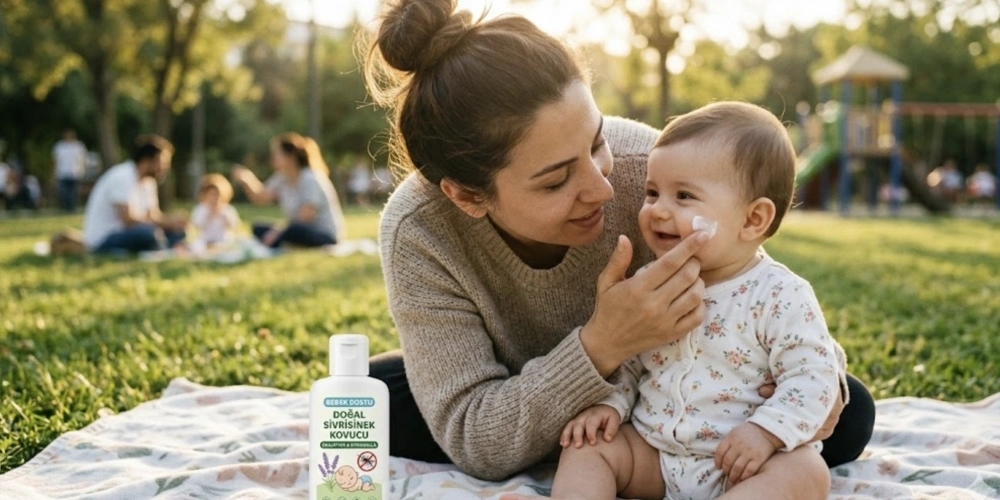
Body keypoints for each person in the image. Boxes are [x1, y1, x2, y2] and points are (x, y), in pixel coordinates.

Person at [364, 0, 874, 489]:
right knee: (366, 401)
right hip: (514, 386)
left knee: (851, 415)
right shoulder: (421, 230)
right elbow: (477, 440)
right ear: (467, 195)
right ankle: (570, 441)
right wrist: (602, 343)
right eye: (556, 180)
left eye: (596, 142)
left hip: (657, 392)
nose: (605, 188)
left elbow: (753, 283)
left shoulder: (654, 173)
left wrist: (819, 377)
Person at [503, 103, 845, 500]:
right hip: (656, 454)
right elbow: (630, 366)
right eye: (652, 192)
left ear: (753, 220)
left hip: (744, 463)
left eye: (683, 196)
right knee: (589, 446)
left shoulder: (778, 294)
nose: (657, 210)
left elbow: (813, 375)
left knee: (805, 472)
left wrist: (765, 432)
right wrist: (611, 407)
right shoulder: (652, 285)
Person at [231, 133, 346, 248]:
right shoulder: (282, 178)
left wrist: (278, 232)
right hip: (295, 228)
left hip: (323, 234)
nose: (273, 158)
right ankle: (286, 240)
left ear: (291, 156)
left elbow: (306, 216)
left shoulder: (310, 178)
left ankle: (284, 240)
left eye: (277, 154)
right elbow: (261, 197)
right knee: (258, 228)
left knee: (293, 230)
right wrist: (246, 180)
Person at [82, 135, 188, 254]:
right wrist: (163, 224)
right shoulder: (122, 176)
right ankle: (163, 247)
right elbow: (128, 220)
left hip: (135, 232)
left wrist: (172, 222)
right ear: (148, 160)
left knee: (178, 232)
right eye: (163, 163)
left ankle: (162, 247)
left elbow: (153, 216)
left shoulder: (149, 182)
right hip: (107, 237)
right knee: (148, 234)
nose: (166, 168)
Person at [191, 173, 240, 248]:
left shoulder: (227, 209)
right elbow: (197, 225)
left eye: (217, 194)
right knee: (197, 245)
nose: (214, 198)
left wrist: (223, 215)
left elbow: (234, 225)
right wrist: (209, 215)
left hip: (223, 239)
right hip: (205, 240)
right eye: (211, 194)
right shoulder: (201, 208)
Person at [53, 129, 88, 212]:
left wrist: (82, 170)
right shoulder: (59, 146)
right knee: (64, 192)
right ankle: (66, 208)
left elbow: (83, 159)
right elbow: (55, 160)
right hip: (63, 173)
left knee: (74, 192)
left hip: (75, 172)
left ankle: (72, 208)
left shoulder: (78, 146)